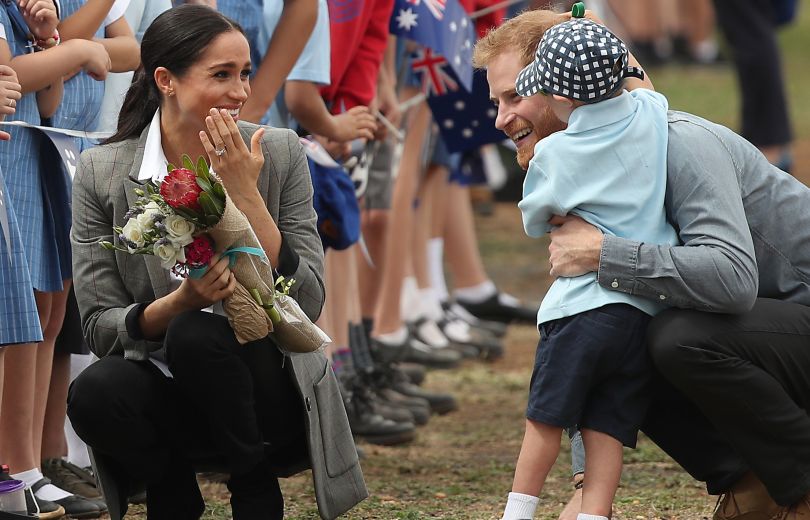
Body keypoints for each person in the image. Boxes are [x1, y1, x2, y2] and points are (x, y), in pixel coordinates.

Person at [475, 7, 810, 520]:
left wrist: (604, 254)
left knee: (676, 336)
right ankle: (753, 486)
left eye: (515, 96)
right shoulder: (605, 168)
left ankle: (795, 488)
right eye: (495, 101)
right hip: (778, 337)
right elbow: (594, 327)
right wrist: (588, 497)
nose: (500, 118)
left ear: (566, 89)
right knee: (626, 327)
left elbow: (734, 281)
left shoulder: (679, 142)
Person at [65, 6, 367, 520]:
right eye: (222, 75)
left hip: (267, 389)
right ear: (166, 80)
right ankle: (172, 491)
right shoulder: (102, 171)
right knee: (93, 391)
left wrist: (246, 195)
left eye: (245, 73)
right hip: (166, 391)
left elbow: (309, 299)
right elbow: (98, 328)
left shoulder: (279, 151)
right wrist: (176, 304)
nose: (241, 91)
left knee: (197, 337)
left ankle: (254, 487)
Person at [495, 15, 675, 520]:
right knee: (607, 428)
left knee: (545, 421)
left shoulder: (555, 152)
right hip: (638, 312)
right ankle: (595, 512)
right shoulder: (650, 113)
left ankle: (518, 511)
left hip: (581, 309)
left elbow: (535, 220)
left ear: (563, 99)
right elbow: (641, 83)